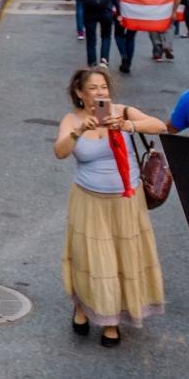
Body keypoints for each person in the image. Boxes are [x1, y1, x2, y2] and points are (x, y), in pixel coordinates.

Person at [53, 68, 167, 347]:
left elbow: (160, 126)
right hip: (88, 201)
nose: (100, 93)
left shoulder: (122, 112)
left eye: (103, 87)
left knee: (119, 260)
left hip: (126, 201)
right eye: (92, 88)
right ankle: (82, 306)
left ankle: (111, 322)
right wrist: (79, 131)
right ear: (80, 93)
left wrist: (128, 126)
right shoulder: (72, 119)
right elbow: (60, 151)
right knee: (89, 259)